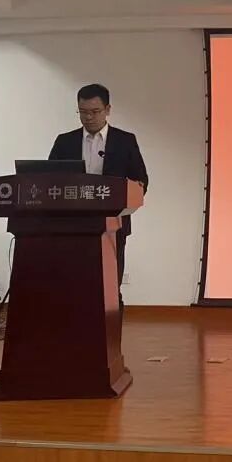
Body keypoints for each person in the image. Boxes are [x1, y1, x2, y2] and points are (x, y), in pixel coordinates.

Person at [49, 83, 148, 316]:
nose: (88, 117)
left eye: (95, 111)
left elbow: (141, 180)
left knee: (110, 285)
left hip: (113, 225)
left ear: (108, 109)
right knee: (74, 283)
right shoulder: (65, 141)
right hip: (72, 225)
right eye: (83, 112)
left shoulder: (125, 141)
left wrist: (129, 197)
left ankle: (110, 332)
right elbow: (49, 180)